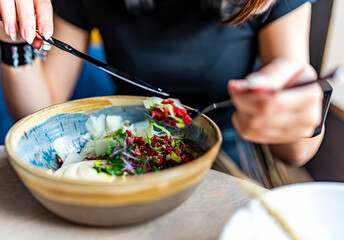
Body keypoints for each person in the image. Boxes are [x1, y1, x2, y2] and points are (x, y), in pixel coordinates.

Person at [0, 0, 323, 169]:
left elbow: (296, 152)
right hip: (125, 152)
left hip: (234, 161)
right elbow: (38, 115)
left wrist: (299, 111)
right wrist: (12, 35)